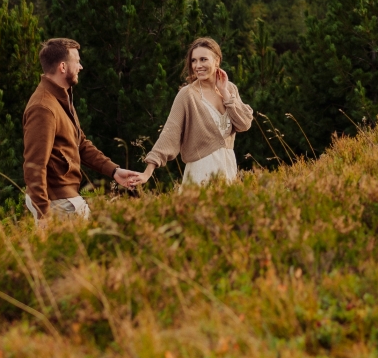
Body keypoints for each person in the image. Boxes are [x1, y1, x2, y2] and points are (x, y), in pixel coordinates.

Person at [22, 37, 141, 224]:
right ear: (63, 67)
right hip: (59, 203)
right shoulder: (43, 107)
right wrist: (43, 214)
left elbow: (81, 144)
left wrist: (114, 171)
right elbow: (34, 166)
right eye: (76, 61)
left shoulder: (61, 98)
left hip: (63, 200)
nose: (80, 67)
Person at [134, 37, 254, 187]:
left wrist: (225, 93)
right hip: (201, 173)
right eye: (194, 61)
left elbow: (244, 124)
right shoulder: (187, 95)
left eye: (203, 59)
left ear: (217, 61)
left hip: (229, 171)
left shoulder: (229, 88)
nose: (198, 65)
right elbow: (170, 132)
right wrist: (148, 171)